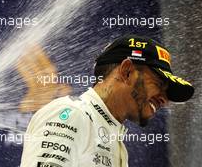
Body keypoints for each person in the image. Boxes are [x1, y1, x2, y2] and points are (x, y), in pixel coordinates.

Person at [20, 35, 194, 167]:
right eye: (158, 84)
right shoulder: (72, 114)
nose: (165, 100)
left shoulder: (115, 143)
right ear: (126, 71)